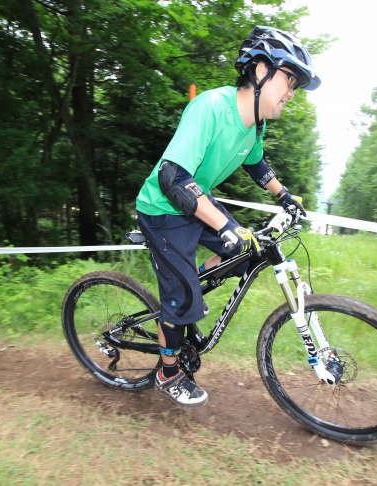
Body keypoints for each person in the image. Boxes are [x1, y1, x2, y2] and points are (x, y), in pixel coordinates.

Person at [135, 26, 320, 408]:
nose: (291, 93)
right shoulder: (210, 108)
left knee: (248, 253)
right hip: (163, 210)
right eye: (289, 80)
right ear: (260, 71)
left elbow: (256, 164)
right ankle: (169, 370)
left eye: (296, 85)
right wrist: (227, 225)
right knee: (183, 296)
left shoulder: (254, 125)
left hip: (196, 202)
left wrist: (283, 194)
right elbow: (172, 177)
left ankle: (186, 292)